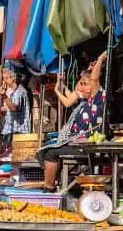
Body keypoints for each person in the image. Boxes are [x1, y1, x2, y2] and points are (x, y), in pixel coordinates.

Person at [37, 51, 108, 192]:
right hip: (77, 143)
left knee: (51, 152)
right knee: (49, 149)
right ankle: (52, 183)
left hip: (87, 146)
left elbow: (93, 79)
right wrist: (60, 86)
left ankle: (49, 188)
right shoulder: (86, 101)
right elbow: (70, 98)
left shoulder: (98, 97)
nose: (81, 87)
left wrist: (100, 59)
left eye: (84, 84)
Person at [0, 70, 31, 169]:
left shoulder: (20, 92)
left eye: (5, 79)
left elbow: (14, 107)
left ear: (13, 79)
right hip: (13, 129)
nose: (4, 82)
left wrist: (4, 95)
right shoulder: (17, 92)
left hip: (17, 130)